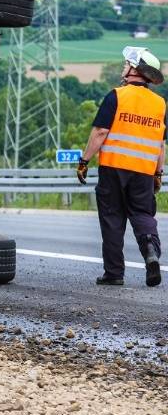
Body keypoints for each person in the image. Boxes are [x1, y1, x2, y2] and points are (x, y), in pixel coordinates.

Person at [77, 46, 166, 287]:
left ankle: (114, 273)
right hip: (144, 172)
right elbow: (160, 146)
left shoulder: (116, 95)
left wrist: (84, 160)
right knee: (143, 214)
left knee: (112, 218)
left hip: (114, 168)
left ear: (135, 69)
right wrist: (158, 173)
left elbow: (100, 132)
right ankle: (150, 250)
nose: (123, 67)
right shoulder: (159, 104)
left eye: (126, 63)